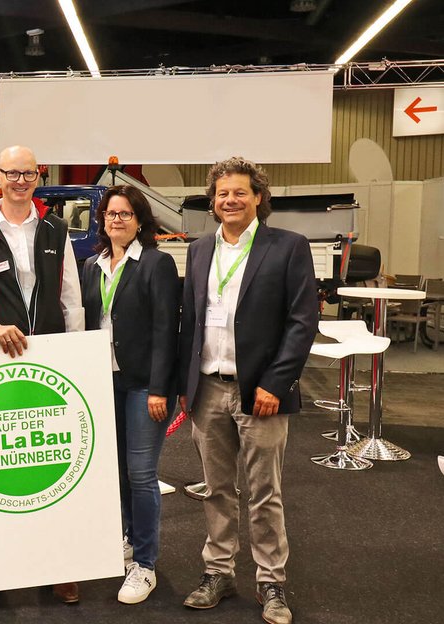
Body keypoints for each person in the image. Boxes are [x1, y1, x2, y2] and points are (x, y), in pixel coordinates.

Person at [177, 157, 317, 624]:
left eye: (240, 192)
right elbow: (190, 321)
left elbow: (302, 322)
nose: (230, 200)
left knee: (264, 492)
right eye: (222, 194)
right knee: (216, 489)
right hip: (208, 389)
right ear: (212, 202)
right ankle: (218, 572)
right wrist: (185, 384)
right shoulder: (199, 250)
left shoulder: (288, 247)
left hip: (261, 393)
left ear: (258, 197)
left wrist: (276, 383)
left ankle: (271, 581)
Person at [0, 144, 84, 606]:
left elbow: (70, 296)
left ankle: (59, 567)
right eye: (12, 173)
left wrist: (75, 355)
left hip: (50, 361)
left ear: (37, 177)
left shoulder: (55, 228)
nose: (20, 181)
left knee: (50, 464)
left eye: (29, 174)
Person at [80, 185, 178, 605]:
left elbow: (166, 330)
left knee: (141, 474)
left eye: (125, 214)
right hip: (102, 381)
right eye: (110, 214)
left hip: (142, 385)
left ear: (140, 221)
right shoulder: (92, 265)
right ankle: (127, 538)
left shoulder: (156, 263)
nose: (116, 220)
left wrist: (159, 389)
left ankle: (145, 564)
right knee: (116, 472)